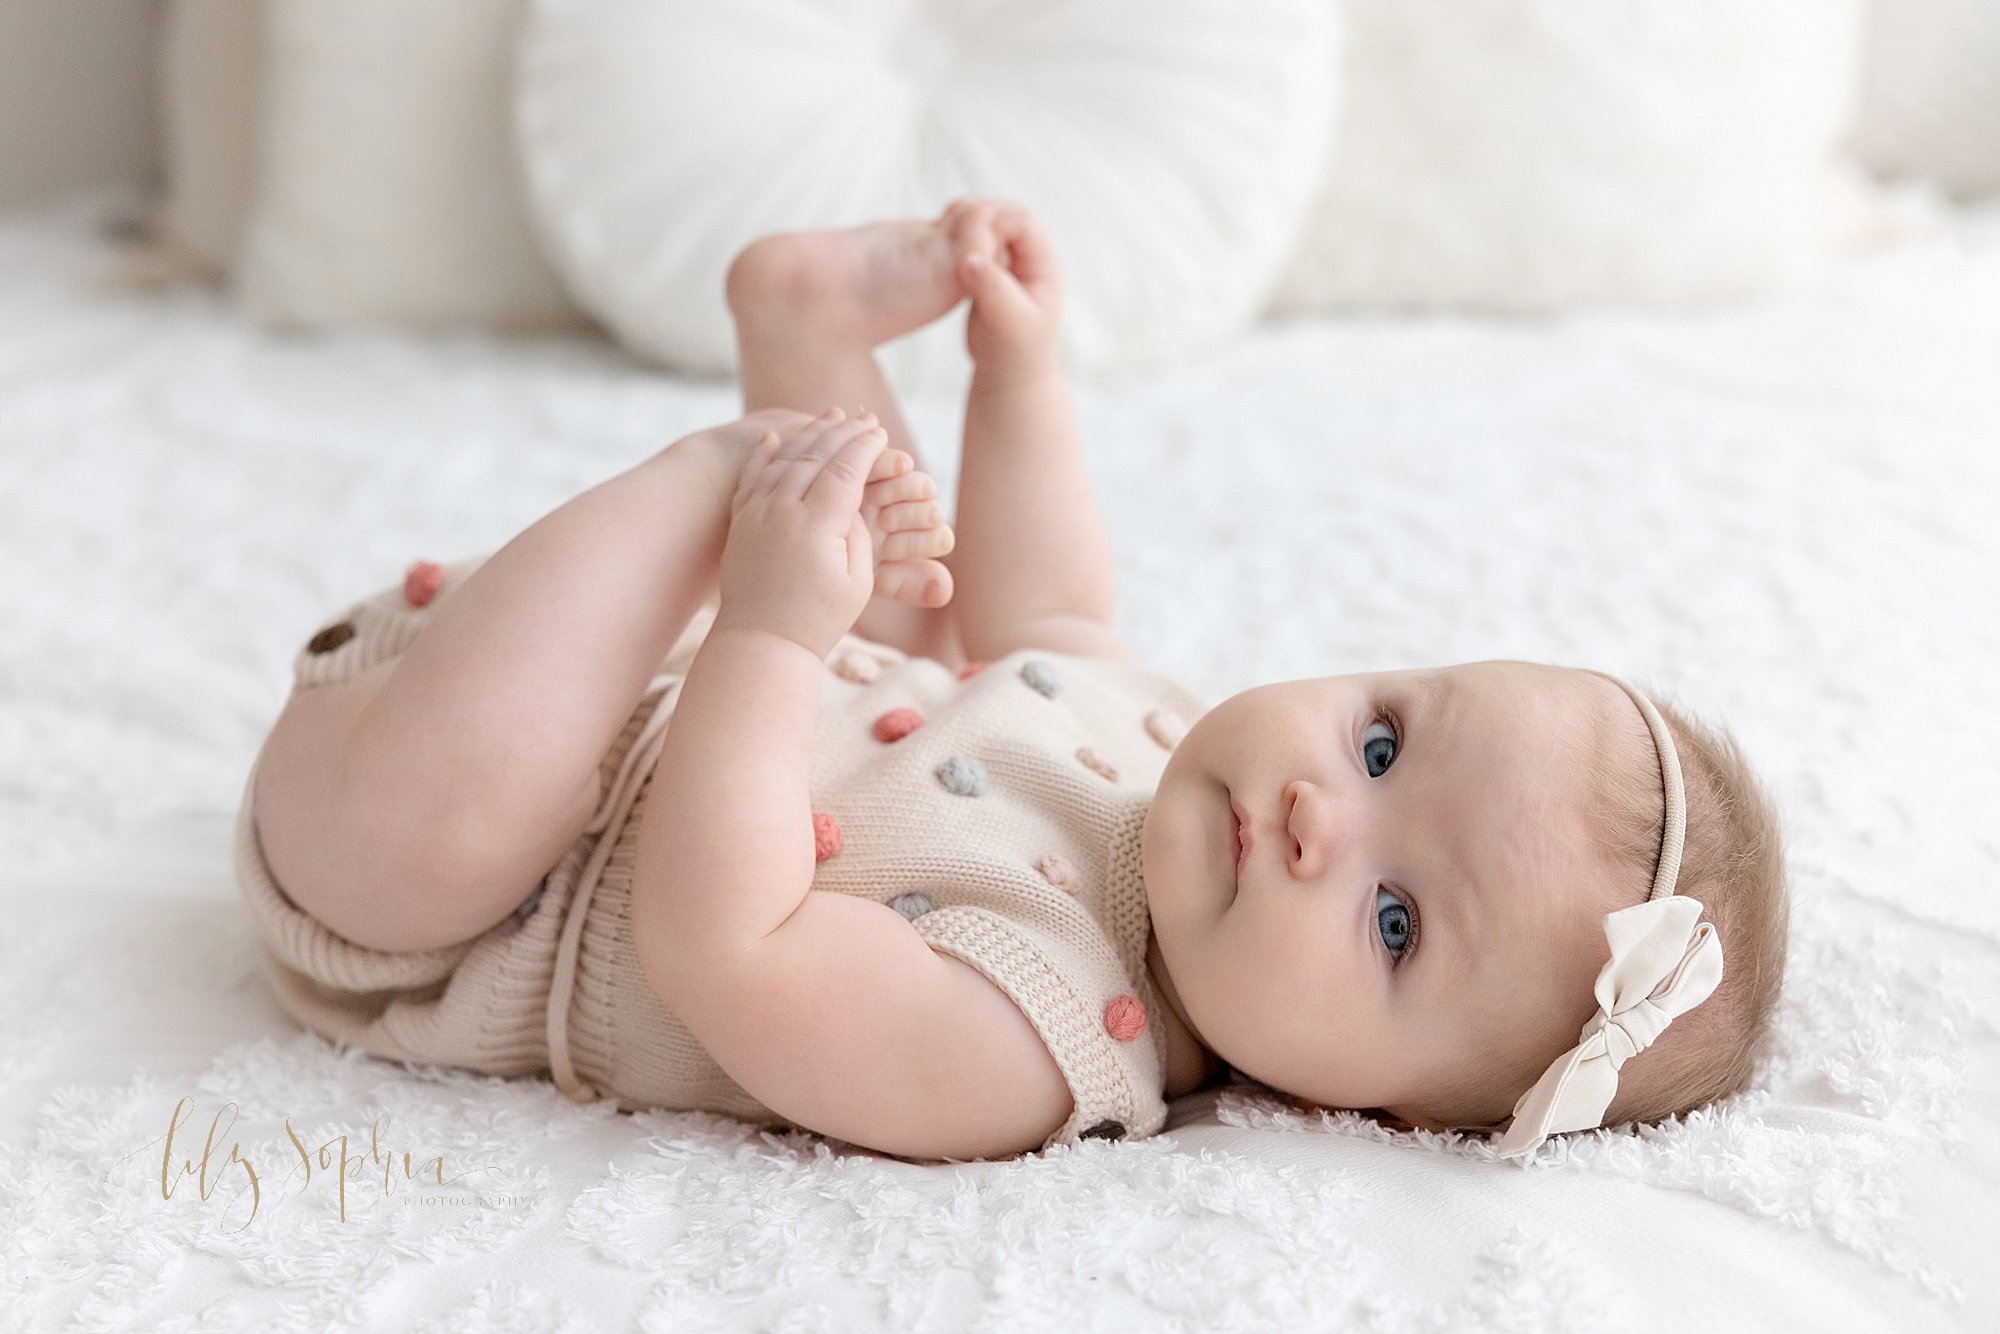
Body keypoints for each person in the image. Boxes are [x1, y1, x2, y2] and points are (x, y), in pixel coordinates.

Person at [234, 201, 1788, 1165]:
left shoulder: (1039, 1042)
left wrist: (773, 627)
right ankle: (807, 344)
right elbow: (1042, 609)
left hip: (449, 883)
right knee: (925, 621)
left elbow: (723, 940)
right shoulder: (1179, 744)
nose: (1324, 814)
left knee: (455, 832)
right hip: (576, 645)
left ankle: (734, 462)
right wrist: (1020, 379)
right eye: (1382, 741)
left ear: (1372, 1114)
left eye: (1395, 922)